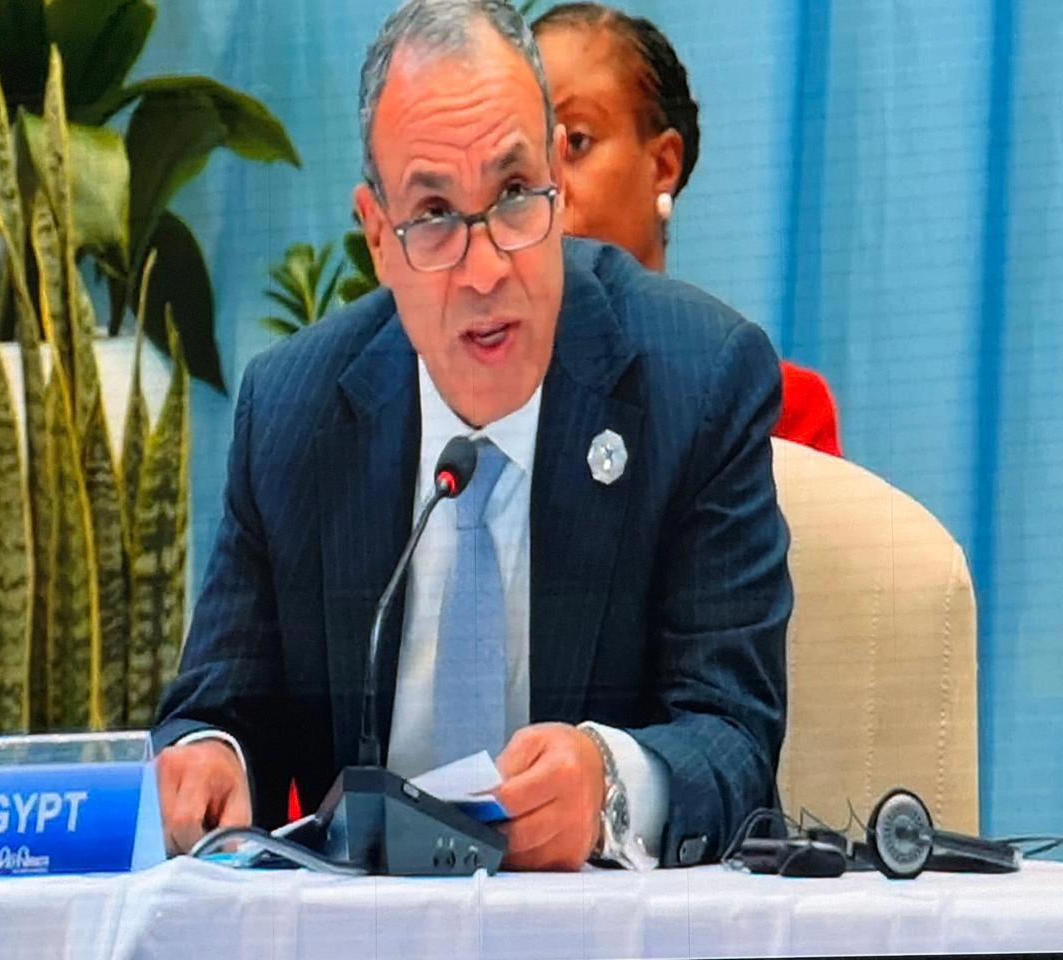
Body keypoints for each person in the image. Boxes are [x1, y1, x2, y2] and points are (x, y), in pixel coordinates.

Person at [153, 0, 790, 872]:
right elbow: (218, 710)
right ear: (378, 237)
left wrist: (609, 785)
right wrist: (209, 759)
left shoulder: (698, 381)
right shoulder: (294, 416)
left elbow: (736, 739)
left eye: (514, 196)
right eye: (434, 215)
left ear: (557, 187)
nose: (485, 269)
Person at [532, 3, 843, 457]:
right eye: (525, 152)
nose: (544, 182)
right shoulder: (476, 403)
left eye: (576, 142)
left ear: (663, 165)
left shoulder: (771, 409)